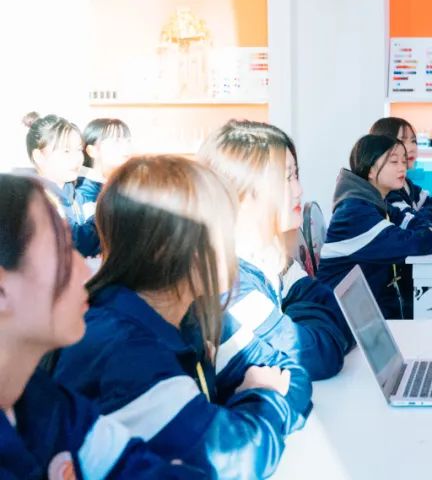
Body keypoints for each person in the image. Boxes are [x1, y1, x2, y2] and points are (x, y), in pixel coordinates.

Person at [52, 155, 310, 479]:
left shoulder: (193, 309)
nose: (233, 246)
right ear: (167, 247)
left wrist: (237, 412)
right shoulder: (122, 351)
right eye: (222, 230)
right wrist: (264, 397)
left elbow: (291, 372)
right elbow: (238, 459)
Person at [0, 173, 201, 478]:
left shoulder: (43, 402)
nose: (85, 270)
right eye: (63, 250)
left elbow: (138, 467)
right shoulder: (123, 346)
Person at [198, 120, 352, 381]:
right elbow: (316, 355)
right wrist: (303, 322)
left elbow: (341, 315)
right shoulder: (229, 284)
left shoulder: (270, 257)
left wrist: (295, 320)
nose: (298, 190)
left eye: (296, 175)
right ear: (240, 192)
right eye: (286, 178)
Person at [317, 134, 432, 319]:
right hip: (342, 319)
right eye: (393, 161)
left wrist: (428, 229)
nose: (402, 167)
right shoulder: (355, 213)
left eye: (403, 161)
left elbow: (416, 224)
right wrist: (430, 230)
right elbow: (420, 241)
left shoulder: (376, 202)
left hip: (366, 309)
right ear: (370, 170)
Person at [22, 112, 100, 257]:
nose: (77, 158)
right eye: (66, 151)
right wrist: (108, 214)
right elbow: (76, 242)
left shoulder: (76, 188)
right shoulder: (31, 201)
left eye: (78, 149)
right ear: (39, 156)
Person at [369, 117, 432, 228]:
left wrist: (431, 214)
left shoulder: (406, 184)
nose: (412, 148)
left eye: (413, 141)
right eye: (402, 141)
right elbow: (416, 224)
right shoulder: (387, 191)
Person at [75, 118, 133, 220]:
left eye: (128, 141)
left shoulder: (127, 183)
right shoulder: (83, 191)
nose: (126, 147)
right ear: (92, 151)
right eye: (116, 141)